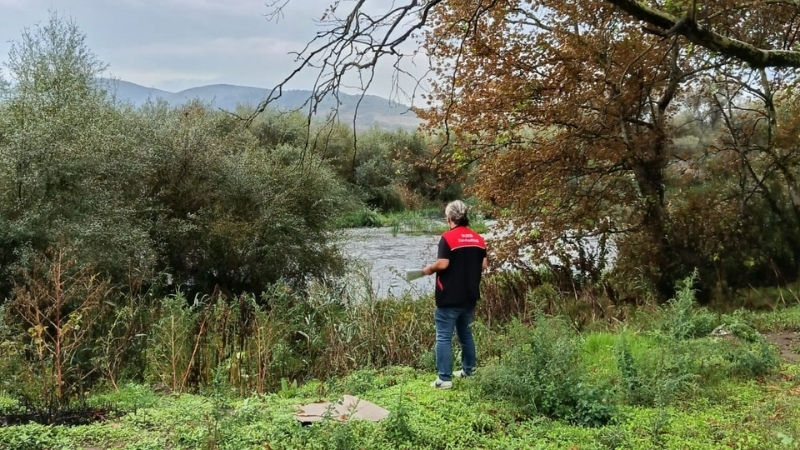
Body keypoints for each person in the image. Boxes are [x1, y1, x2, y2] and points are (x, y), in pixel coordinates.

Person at [422, 200, 488, 389]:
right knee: (466, 334)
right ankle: (468, 371)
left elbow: (443, 264)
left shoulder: (448, 238)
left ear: (449, 218)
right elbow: (483, 265)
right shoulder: (478, 238)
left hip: (449, 295)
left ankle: (444, 379)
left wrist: (429, 269)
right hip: (470, 295)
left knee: (443, 336)